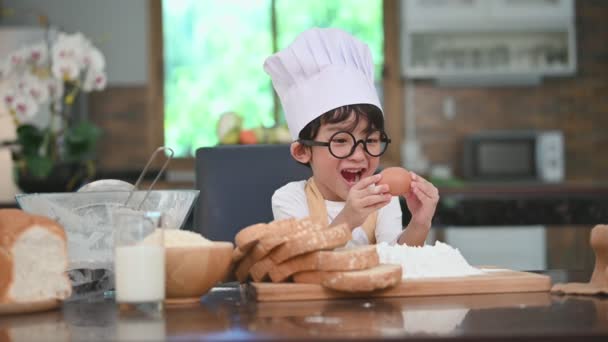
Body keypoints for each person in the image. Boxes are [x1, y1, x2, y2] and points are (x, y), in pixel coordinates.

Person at [263, 27, 438, 246]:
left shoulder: (384, 200)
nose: (358, 155)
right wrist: (348, 219)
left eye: (371, 140)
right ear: (302, 151)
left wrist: (419, 224)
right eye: (340, 141)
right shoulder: (291, 199)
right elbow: (301, 263)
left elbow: (397, 259)